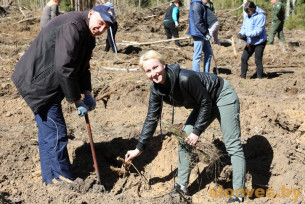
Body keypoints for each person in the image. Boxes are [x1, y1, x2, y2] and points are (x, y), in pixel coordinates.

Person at [125, 50, 246, 203]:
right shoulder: (156, 90)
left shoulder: (185, 78)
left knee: (232, 145)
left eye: (155, 67)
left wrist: (197, 132)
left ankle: (238, 195)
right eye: (148, 71)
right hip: (204, 103)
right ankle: (182, 185)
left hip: (221, 95)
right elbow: (151, 118)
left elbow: (206, 102)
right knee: (184, 138)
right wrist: (139, 148)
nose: (153, 73)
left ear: (164, 64)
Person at [11, 5, 114, 184]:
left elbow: (82, 67)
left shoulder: (88, 35)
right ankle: (63, 181)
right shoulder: (72, 26)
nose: (102, 29)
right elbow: (64, 66)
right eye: (100, 22)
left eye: (106, 26)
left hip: (47, 82)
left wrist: (87, 93)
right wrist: (76, 100)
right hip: (39, 84)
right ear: (91, 13)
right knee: (56, 132)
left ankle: (51, 181)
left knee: (47, 134)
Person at [238, 1, 267, 79]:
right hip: (250, 41)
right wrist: (241, 33)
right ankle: (242, 76)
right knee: (244, 58)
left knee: (257, 60)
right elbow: (244, 27)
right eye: (246, 11)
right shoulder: (247, 15)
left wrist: (247, 34)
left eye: (249, 11)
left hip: (259, 41)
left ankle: (259, 78)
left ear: (253, 9)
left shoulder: (261, 16)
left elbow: (258, 31)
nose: (248, 13)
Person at [188, 0, 212, 73]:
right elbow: (198, 22)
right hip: (198, 33)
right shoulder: (196, 5)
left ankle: (206, 74)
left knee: (209, 53)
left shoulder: (201, 4)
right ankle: (197, 76)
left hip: (202, 33)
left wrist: (206, 32)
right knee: (197, 55)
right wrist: (205, 33)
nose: (208, 1)